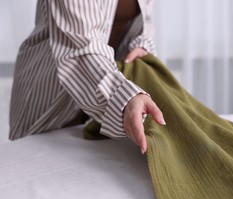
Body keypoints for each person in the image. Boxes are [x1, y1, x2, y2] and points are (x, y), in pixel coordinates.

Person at [9, 0, 166, 154]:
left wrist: (142, 44)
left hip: (106, 90)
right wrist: (124, 96)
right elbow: (81, 47)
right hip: (51, 90)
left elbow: (146, 18)